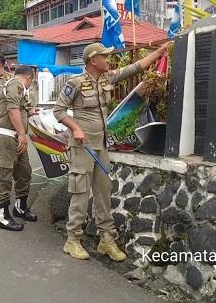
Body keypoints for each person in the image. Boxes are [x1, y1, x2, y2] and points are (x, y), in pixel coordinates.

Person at [54, 41, 169, 261]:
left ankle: (106, 239)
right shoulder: (75, 83)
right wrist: (76, 128)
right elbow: (59, 111)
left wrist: (161, 51)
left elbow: (136, 67)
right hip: (83, 146)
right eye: (104, 57)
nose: (108, 60)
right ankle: (73, 239)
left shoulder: (107, 78)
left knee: (104, 191)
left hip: (102, 145)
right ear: (93, 60)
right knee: (80, 191)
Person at [0, 65, 40, 231]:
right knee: (4, 177)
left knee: (24, 172)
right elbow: (12, 110)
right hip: (8, 138)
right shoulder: (16, 85)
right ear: (30, 78)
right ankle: (1, 216)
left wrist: (31, 112)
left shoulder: (19, 88)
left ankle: (20, 206)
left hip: (17, 138)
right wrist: (22, 133)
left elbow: (19, 109)